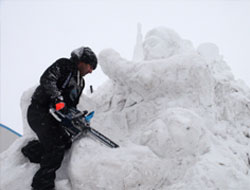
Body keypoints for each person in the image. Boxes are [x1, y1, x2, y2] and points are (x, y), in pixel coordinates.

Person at [21, 46, 98, 190]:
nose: (91, 71)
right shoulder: (64, 65)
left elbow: (70, 105)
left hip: (54, 118)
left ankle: (32, 150)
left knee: (65, 142)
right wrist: (57, 98)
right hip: (40, 111)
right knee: (55, 146)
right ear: (82, 61)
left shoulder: (80, 83)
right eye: (90, 66)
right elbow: (47, 79)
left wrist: (77, 117)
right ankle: (42, 185)